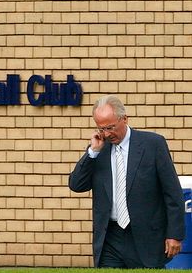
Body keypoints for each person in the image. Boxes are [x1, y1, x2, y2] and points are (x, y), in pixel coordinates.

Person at [69, 95, 185, 268]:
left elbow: (172, 193)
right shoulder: (98, 150)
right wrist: (92, 152)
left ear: (124, 119)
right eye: (102, 128)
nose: (107, 134)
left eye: (111, 127)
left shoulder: (153, 144)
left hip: (146, 237)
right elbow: (76, 185)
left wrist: (174, 234)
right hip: (110, 237)